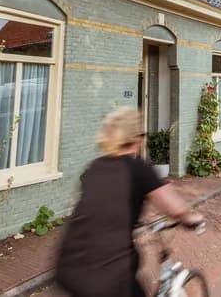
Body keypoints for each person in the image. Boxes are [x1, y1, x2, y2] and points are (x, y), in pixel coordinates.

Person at [55, 107, 204, 297]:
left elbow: (93, 206)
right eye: (143, 134)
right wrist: (192, 217)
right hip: (109, 277)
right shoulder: (138, 168)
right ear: (136, 138)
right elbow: (175, 209)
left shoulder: (93, 167)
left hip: (68, 269)